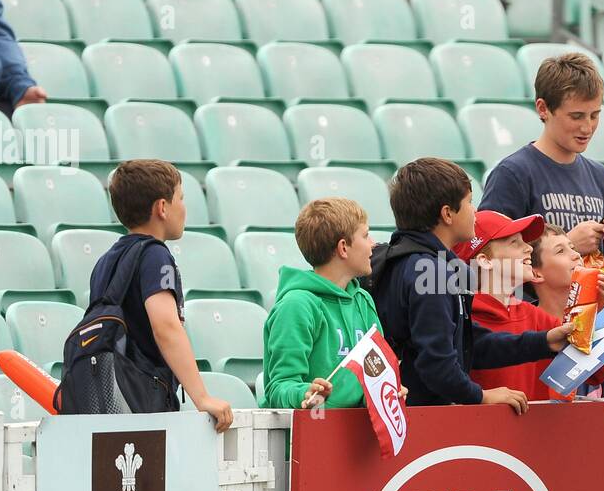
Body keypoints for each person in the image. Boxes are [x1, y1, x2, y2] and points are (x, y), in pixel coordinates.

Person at [368, 157, 573, 413]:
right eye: (469, 203)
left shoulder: (416, 262)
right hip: (422, 424)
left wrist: (543, 342)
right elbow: (436, 366)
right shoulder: (432, 271)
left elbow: (469, 343)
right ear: (447, 214)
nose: (475, 212)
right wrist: (481, 397)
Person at [90, 159, 231, 431]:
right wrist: (201, 397)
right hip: (143, 408)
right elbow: (166, 326)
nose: (185, 208)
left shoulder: (105, 261)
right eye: (181, 198)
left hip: (110, 403)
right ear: (162, 208)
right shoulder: (155, 255)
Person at [478, 52, 604, 258]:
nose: (587, 127)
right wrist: (568, 244)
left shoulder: (602, 178)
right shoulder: (513, 174)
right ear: (543, 108)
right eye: (576, 116)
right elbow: (487, 260)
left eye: (594, 115)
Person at [464, 213, 604, 400]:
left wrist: (600, 314)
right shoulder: (461, 318)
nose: (528, 248)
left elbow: (596, 373)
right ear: (485, 260)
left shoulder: (537, 317)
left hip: (540, 429)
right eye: (514, 243)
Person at [262, 197, 387, 410]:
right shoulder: (297, 306)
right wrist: (304, 392)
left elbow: (377, 375)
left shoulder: (363, 300)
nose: (373, 244)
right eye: (365, 235)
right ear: (343, 248)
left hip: (355, 435)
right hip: (312, 435)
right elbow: (279, 387)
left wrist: (387, 392)